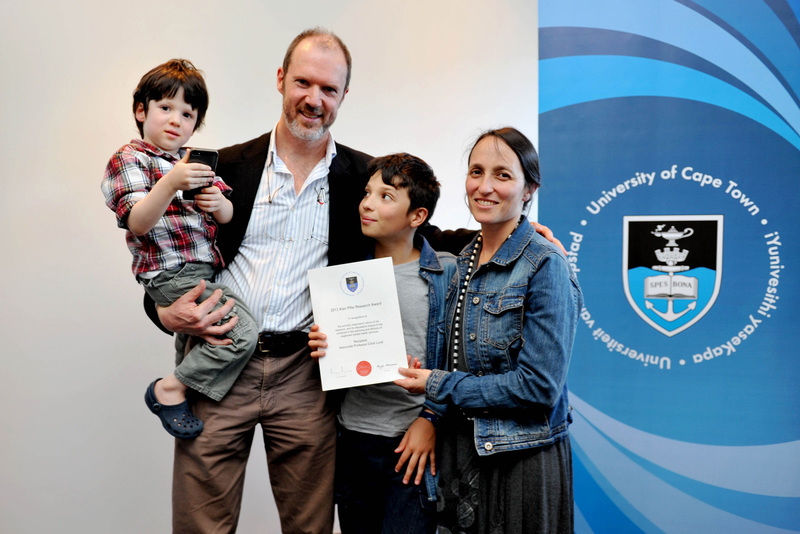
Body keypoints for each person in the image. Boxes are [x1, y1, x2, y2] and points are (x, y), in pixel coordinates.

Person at [145, 30, 562, 533]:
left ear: (344, 97)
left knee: (311, 525)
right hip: (217, 363)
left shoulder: (362, 179)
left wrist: (516, 228)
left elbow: (424, 229)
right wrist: (163, 312)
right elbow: (166, 250)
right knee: (199, 523)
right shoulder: (223, 166)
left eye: (329, 89)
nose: (313, 99)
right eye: (303, 82)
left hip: (305, 373)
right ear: (281, 80)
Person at [395, 127, 582, 533]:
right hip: (461, 458)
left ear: (529, 188)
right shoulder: (461, 261)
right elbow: (454, 356)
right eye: (476, 171)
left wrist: (439, 384)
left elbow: (539, 388)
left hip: (521, 461)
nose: (484, 186)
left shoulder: (546, 264)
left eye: (502, 175)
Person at [101, 59, 258, 440]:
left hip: (202, 268)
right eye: (165, 108)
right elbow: (137, 221)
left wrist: (214, 202)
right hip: (170, 271)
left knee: (193, 340)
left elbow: (227, 213)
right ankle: (169, 390)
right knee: (244, 331)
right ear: (142, 111)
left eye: (187, 114)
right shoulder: (129, 158)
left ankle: (180, 396)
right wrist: (171, 182)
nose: (176, 120)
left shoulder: (193, 162)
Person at [308, 153, 456, 533]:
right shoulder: (342, 276)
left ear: (417, 216)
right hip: (353, 437)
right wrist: (324, 346)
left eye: (386, 196)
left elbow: (464, 360)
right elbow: (336, 361)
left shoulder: (445, 273)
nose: (368, 204)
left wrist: (431, 419)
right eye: (367, 192)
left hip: (412, 442)